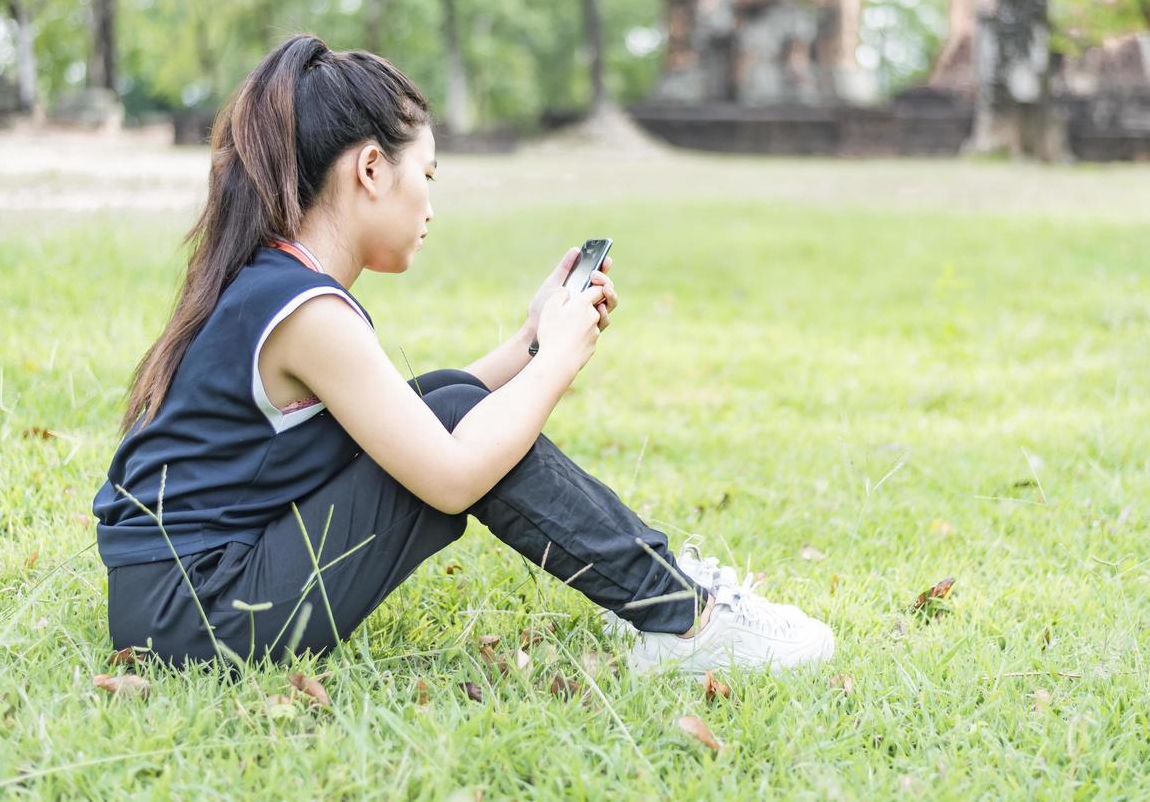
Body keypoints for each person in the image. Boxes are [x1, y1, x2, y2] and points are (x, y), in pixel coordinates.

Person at [90, 34, 834, 673]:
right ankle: (688, 620)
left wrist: (528, 341)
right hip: (204, 622)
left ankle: (663, 600)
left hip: (179, 604)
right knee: (452, 419)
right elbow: (447, 478)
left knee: (445, 396)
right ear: (372, 170)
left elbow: (413, 418)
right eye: (428, 176)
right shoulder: (307, 312)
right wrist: (557, 363)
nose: (431, 206)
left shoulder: (277, 284)